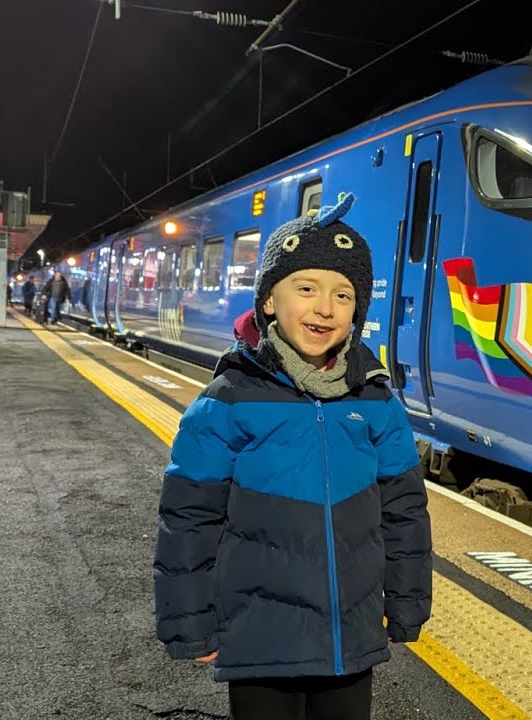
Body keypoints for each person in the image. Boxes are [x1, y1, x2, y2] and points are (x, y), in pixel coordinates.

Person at [154, 193, 432, 720]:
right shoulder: (228, 400)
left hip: (349, 641)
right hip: (258, 640)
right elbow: (188, 518)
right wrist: (190, 622)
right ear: (267, 301)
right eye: (306, 288)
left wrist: (407, 603)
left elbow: (405, 512)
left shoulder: (374, 401)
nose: (325, 308)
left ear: (358, 311)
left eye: (344, 295)